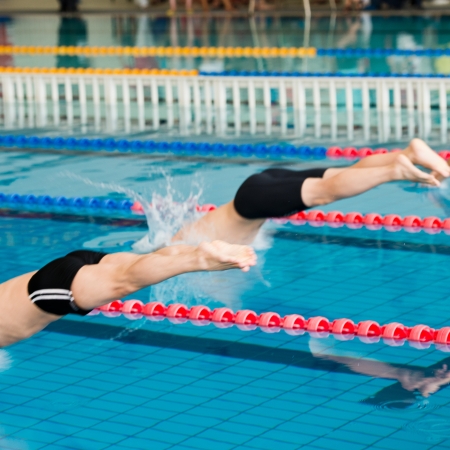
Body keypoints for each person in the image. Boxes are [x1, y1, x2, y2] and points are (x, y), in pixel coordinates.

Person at [173, 138, 450, 245]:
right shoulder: (187, 235)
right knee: (345, 173)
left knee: (324, 192)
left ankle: (395, 170)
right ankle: (408, 153)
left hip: (251, 203)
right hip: (260, 187)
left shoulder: (178, 249)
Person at [0, 241, 256, 347]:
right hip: (68, 268)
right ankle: (191, 250)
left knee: (125, 280)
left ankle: (197, 257)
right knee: (135, 265)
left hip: (47, 289)